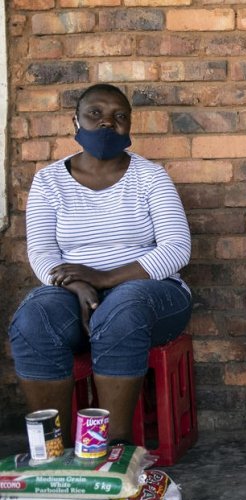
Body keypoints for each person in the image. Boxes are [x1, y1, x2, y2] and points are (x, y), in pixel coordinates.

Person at [9, 83, 193, 444]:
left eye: (119, 117)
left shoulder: (150, 176)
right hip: (73, 291)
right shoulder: (48, 181)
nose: (107, 124)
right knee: (34, 318)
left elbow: (176, 249)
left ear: (129, 127)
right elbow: (43, 253)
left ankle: (111, 449)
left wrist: (103, 278)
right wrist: (78, 285)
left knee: (123, 308)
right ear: (74, 120)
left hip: (152, 293)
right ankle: (52, 448)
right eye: (96, 114)